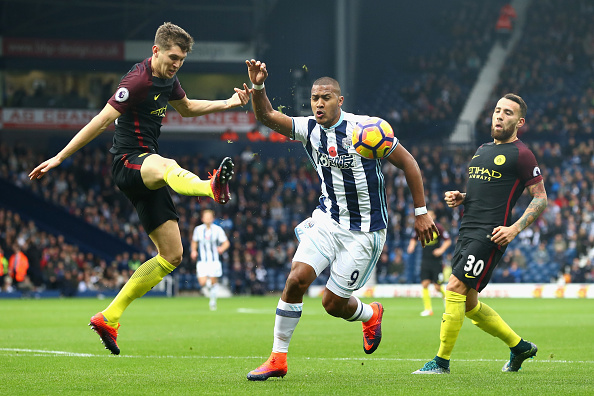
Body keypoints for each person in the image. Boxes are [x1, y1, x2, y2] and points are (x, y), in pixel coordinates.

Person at [29, 22, 250, 355]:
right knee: (167, 165)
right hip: (128, 162)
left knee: (172, 255)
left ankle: (110, 317)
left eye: (182, 60)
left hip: (146, 169)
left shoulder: (168, 79)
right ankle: (210, 187)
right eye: (173, 57)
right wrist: (60, 157)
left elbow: (187, 109)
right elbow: (101, 120)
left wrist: (230, 103)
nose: (177, 64)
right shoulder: (137, 81)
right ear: (156, 50)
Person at [245, 59, 438, 381]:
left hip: (364, 231)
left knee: (332, 303)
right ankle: (277, 358)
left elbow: (410, 164)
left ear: (340, 100)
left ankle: (369, 313)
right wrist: (258, 86)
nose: (319, 104)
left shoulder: (367, 129)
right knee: (296, 279)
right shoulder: (308, 128)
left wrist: (421, 212)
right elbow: (266, 116)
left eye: (326, 98)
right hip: (328, 220)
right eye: (314, 99)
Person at [413, 93, 548, 374]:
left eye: (508, 113)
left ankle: (440, 363)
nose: (499, 116)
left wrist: (514, 229)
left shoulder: (522, 154)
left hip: (490, 235)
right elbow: (487, 191)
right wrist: (462, 197)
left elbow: (540, 198)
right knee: (470, 305)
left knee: (454, 289)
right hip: (466, 230)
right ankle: (520, 347)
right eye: (497, 110)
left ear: (519, 121)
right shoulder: (482, 149)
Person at [407, 209, 451, 316]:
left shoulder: (438, 227)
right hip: (425, 260)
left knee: (437, 286)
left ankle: (449, 304)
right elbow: (413, 238)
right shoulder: (421, 227)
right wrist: (411, 245)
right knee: (425, 284)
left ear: (434, 216)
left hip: (437, 261)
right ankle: (428, 309)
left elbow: (448, 240)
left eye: (431, 215)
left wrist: (441, 250)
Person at [190, 209, 230, 311]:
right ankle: (211, 292)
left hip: (214, 260)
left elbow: (226, 243)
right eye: (206, 217)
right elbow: (194, 241)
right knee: (203, 283)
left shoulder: (217, 230)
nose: (208, 219)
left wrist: (221, 248)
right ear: (202, 218)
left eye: (209, 217)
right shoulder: (198, 230)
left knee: (213, 281)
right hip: (202, 260)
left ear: (213, 218)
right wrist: (193, 251)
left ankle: (213, 301)